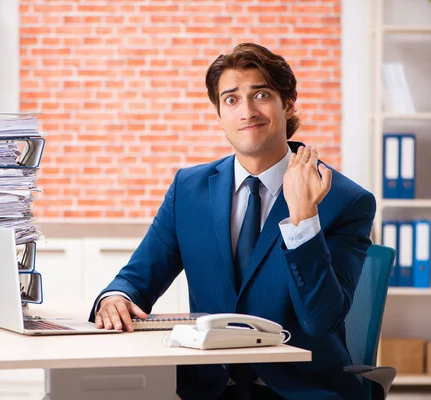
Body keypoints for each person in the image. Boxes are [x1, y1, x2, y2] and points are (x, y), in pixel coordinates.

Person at [88, 43, 376, 400]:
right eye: (232, 99)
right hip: (208, 389)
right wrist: (115, 297)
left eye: (261, 94)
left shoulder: (345, 200)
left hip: (300, 390)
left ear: (288, 104)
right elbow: (136, 279)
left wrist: (304, 220)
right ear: (219, 113)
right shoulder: (189, 190)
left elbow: (320, 320)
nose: (247, 111)